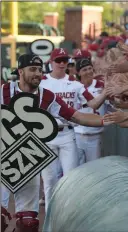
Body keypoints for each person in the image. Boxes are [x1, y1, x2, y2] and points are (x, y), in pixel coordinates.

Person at [1, 54, 113, 232]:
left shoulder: (47, 96)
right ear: (20, 71)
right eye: (32, 69)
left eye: (39, 69)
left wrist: (110, 120)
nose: (37, 73)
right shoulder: (4, 91)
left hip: (28, 160)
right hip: (3, 160)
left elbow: (77, 116)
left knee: (29, 222)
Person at [40, 48, 109, 212]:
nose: (62, 64)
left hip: (68, 133)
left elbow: (93, 104)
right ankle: (51, 218)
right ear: (51, 62)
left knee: (71, 178)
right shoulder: (42, 81)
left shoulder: (75, 84)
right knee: (50, 181)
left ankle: (68, 215)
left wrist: (107, 91)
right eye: (59, 60)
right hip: (47, 135)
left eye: (65, 60)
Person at [74, 58, 110, 164]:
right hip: (77, 134)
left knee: (94, 168)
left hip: (95, 134)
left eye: (90, 68)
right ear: (78, 73)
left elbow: (114, 103)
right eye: (84, 69)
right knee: (77, 169)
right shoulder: (73, 87)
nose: (88, 71)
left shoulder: (101, 85)